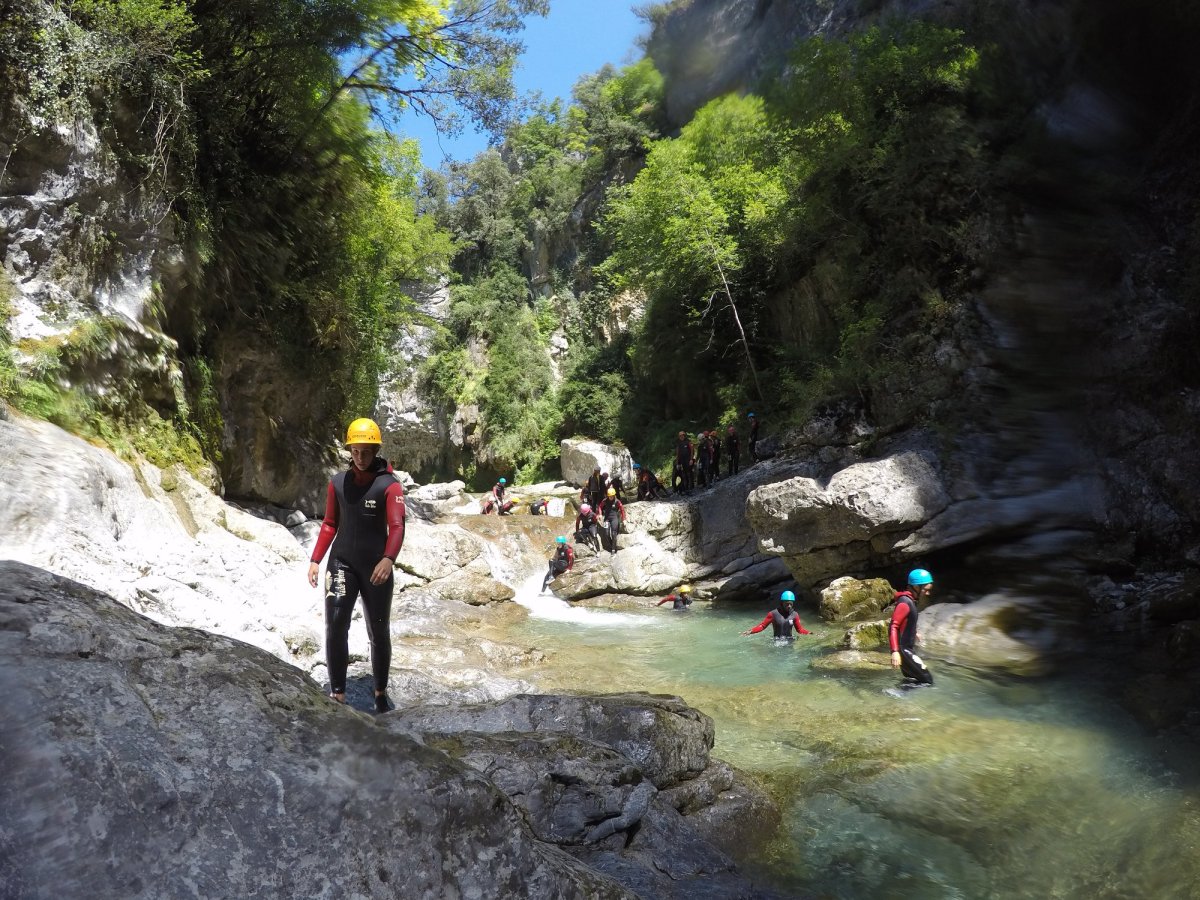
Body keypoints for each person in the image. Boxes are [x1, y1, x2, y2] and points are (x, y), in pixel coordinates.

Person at [308, 418, 406, 713]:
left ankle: (379, 691)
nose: (360, 458)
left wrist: (388, 559)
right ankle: (338, 693)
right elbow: (329, 524)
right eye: (355, 451)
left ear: (375, 449)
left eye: (366, 451)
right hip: (341, 563)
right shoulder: (338, 482)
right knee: (335, 624)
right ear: (349, 449)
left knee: (378, 630)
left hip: (376, 567)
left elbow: (398, 526)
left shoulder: (390, 486)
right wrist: (315, 559)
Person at [889, 568, 935, 686]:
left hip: (906, 649)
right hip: (903, 650)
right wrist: (895, 652)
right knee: (927, 680)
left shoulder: (910, 601)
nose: (928, 593)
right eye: (926, 589)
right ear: (916, 587)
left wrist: (913, 632)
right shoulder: (905, 602)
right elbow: (893, 626)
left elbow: (906, 622)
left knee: (912, 680)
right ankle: (895, 695)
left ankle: (899, 699)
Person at [741, 590, 811, 641]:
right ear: (781, 603)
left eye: (791, 604)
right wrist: (750, 631)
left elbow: (800, 630)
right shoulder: (773, 614)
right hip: (777, 641)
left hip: (790, 641)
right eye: (786, 604)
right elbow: (762, 626)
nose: (789, 606)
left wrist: (810, 633)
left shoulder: (795, 615)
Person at [599, 486, 625, 555]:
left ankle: (613, 549)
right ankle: (611, 545)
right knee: (606, 533)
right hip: (607, 519)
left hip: (614, 518)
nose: (610, 497)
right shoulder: (605, 501)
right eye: (609, 496)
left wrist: (623, 519)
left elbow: (622, 509)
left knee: (614, 534)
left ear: (614, 495)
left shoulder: (617, 501)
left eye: (612, 496)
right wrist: (600, 514)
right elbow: (600, 507)